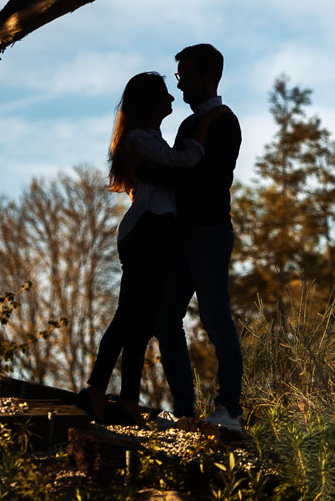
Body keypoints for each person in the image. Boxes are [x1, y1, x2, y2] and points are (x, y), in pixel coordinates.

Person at [76, 71, 228, 425]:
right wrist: (206, 124)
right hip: (147, 232)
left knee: (143, 321)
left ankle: (129, 397)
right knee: (129, 314)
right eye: (164, 94)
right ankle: (96, 389)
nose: (172, 100)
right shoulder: (141, 139)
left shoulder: (147, 138)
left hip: (156, 232)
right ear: (148, 102)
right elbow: (184, 162)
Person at [146, 44, 244, 431]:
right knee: (166, 317)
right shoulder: (189, 125)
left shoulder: (224, 121)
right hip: (184, 232)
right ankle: (186, 410)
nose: (181, 85)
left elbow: (199, 176)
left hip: (209, 231)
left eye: (186, 77)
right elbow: (181, 169)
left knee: (216, 318)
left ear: (209, 76)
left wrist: (149, 170)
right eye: (179, 77)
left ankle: (229, 409)